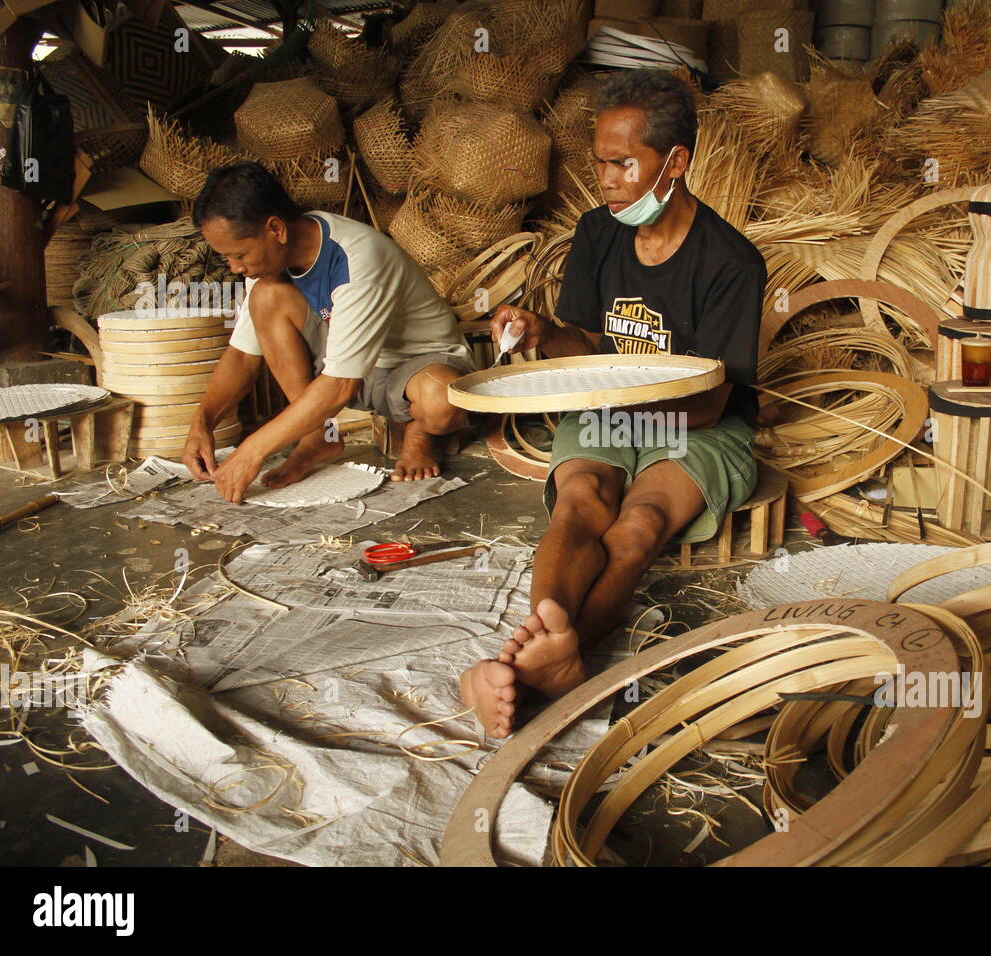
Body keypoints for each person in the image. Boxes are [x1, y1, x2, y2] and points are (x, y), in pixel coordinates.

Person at [461, 69, 766, 738]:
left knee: (638, 524)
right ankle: (548, 643)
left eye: (623, 163)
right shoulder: (598, 235)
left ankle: (546, 662)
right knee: (581, 505)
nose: (607, 179)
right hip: (608, 407)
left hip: (700, 424)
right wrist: (543, 334)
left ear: (675, 162)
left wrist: (624, 406)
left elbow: (711, 406)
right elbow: (587, 344)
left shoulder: (730, 263)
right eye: (600, 163)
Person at [182, 162, 474, 502]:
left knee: (442, 401)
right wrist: (201, 422)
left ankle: (420, 434)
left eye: (239, 255)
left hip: (416, 365)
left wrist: (251, 450)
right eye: (228, 259)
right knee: (267, 295)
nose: (235, 268)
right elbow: (243, 356)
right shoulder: (266, 264)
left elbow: (339, 386)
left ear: (275, 229)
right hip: (351, 370)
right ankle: (318, 436)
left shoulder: (357, 256)